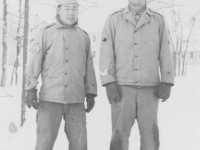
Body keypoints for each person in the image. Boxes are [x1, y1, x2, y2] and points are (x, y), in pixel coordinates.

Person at [99, 0, 174, 150]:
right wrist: (109, 82)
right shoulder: (114, 19)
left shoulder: (158, 20)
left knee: (150, 137)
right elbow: (106, 52)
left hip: (149, 88)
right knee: (119, 137)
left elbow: (165, 51)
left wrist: (167, 81)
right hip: (122, 88)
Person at [25, 0, 97, 149]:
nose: (71, 12)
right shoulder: (45, 33)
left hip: (76, 100)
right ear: (58, 10)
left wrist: (90, 92)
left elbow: (89, 67)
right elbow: (34, 61)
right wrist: (31, 89)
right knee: (44, 144)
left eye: (74, 9)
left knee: (79, 144)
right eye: (67, 8)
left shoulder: (84, 37)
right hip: (50, 99)